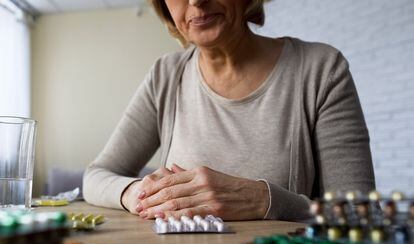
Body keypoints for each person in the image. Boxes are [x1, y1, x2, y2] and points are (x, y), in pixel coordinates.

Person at [83, 0, 375, 221]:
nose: (196, 1)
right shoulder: (165, 75)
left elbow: (358, 213)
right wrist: (137, 194)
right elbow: (96, 176)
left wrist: (263, 200)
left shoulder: (322, 70)